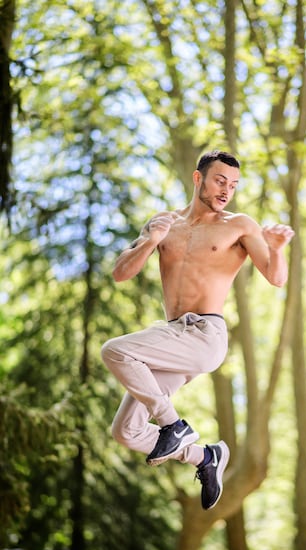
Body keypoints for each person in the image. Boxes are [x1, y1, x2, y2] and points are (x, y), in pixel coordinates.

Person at [101, 150, 294, 510]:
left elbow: (276, 277)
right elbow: (120, 273)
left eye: (233, 185)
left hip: (206, 334)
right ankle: (204, 457)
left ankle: (173, 425)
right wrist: (150, 241)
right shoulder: (164, 223)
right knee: (125, 431)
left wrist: (277, 249)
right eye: (220, 180)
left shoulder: (239, 225)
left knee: (115, 350)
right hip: (173, 337)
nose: (226, 190)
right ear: (198, 178)